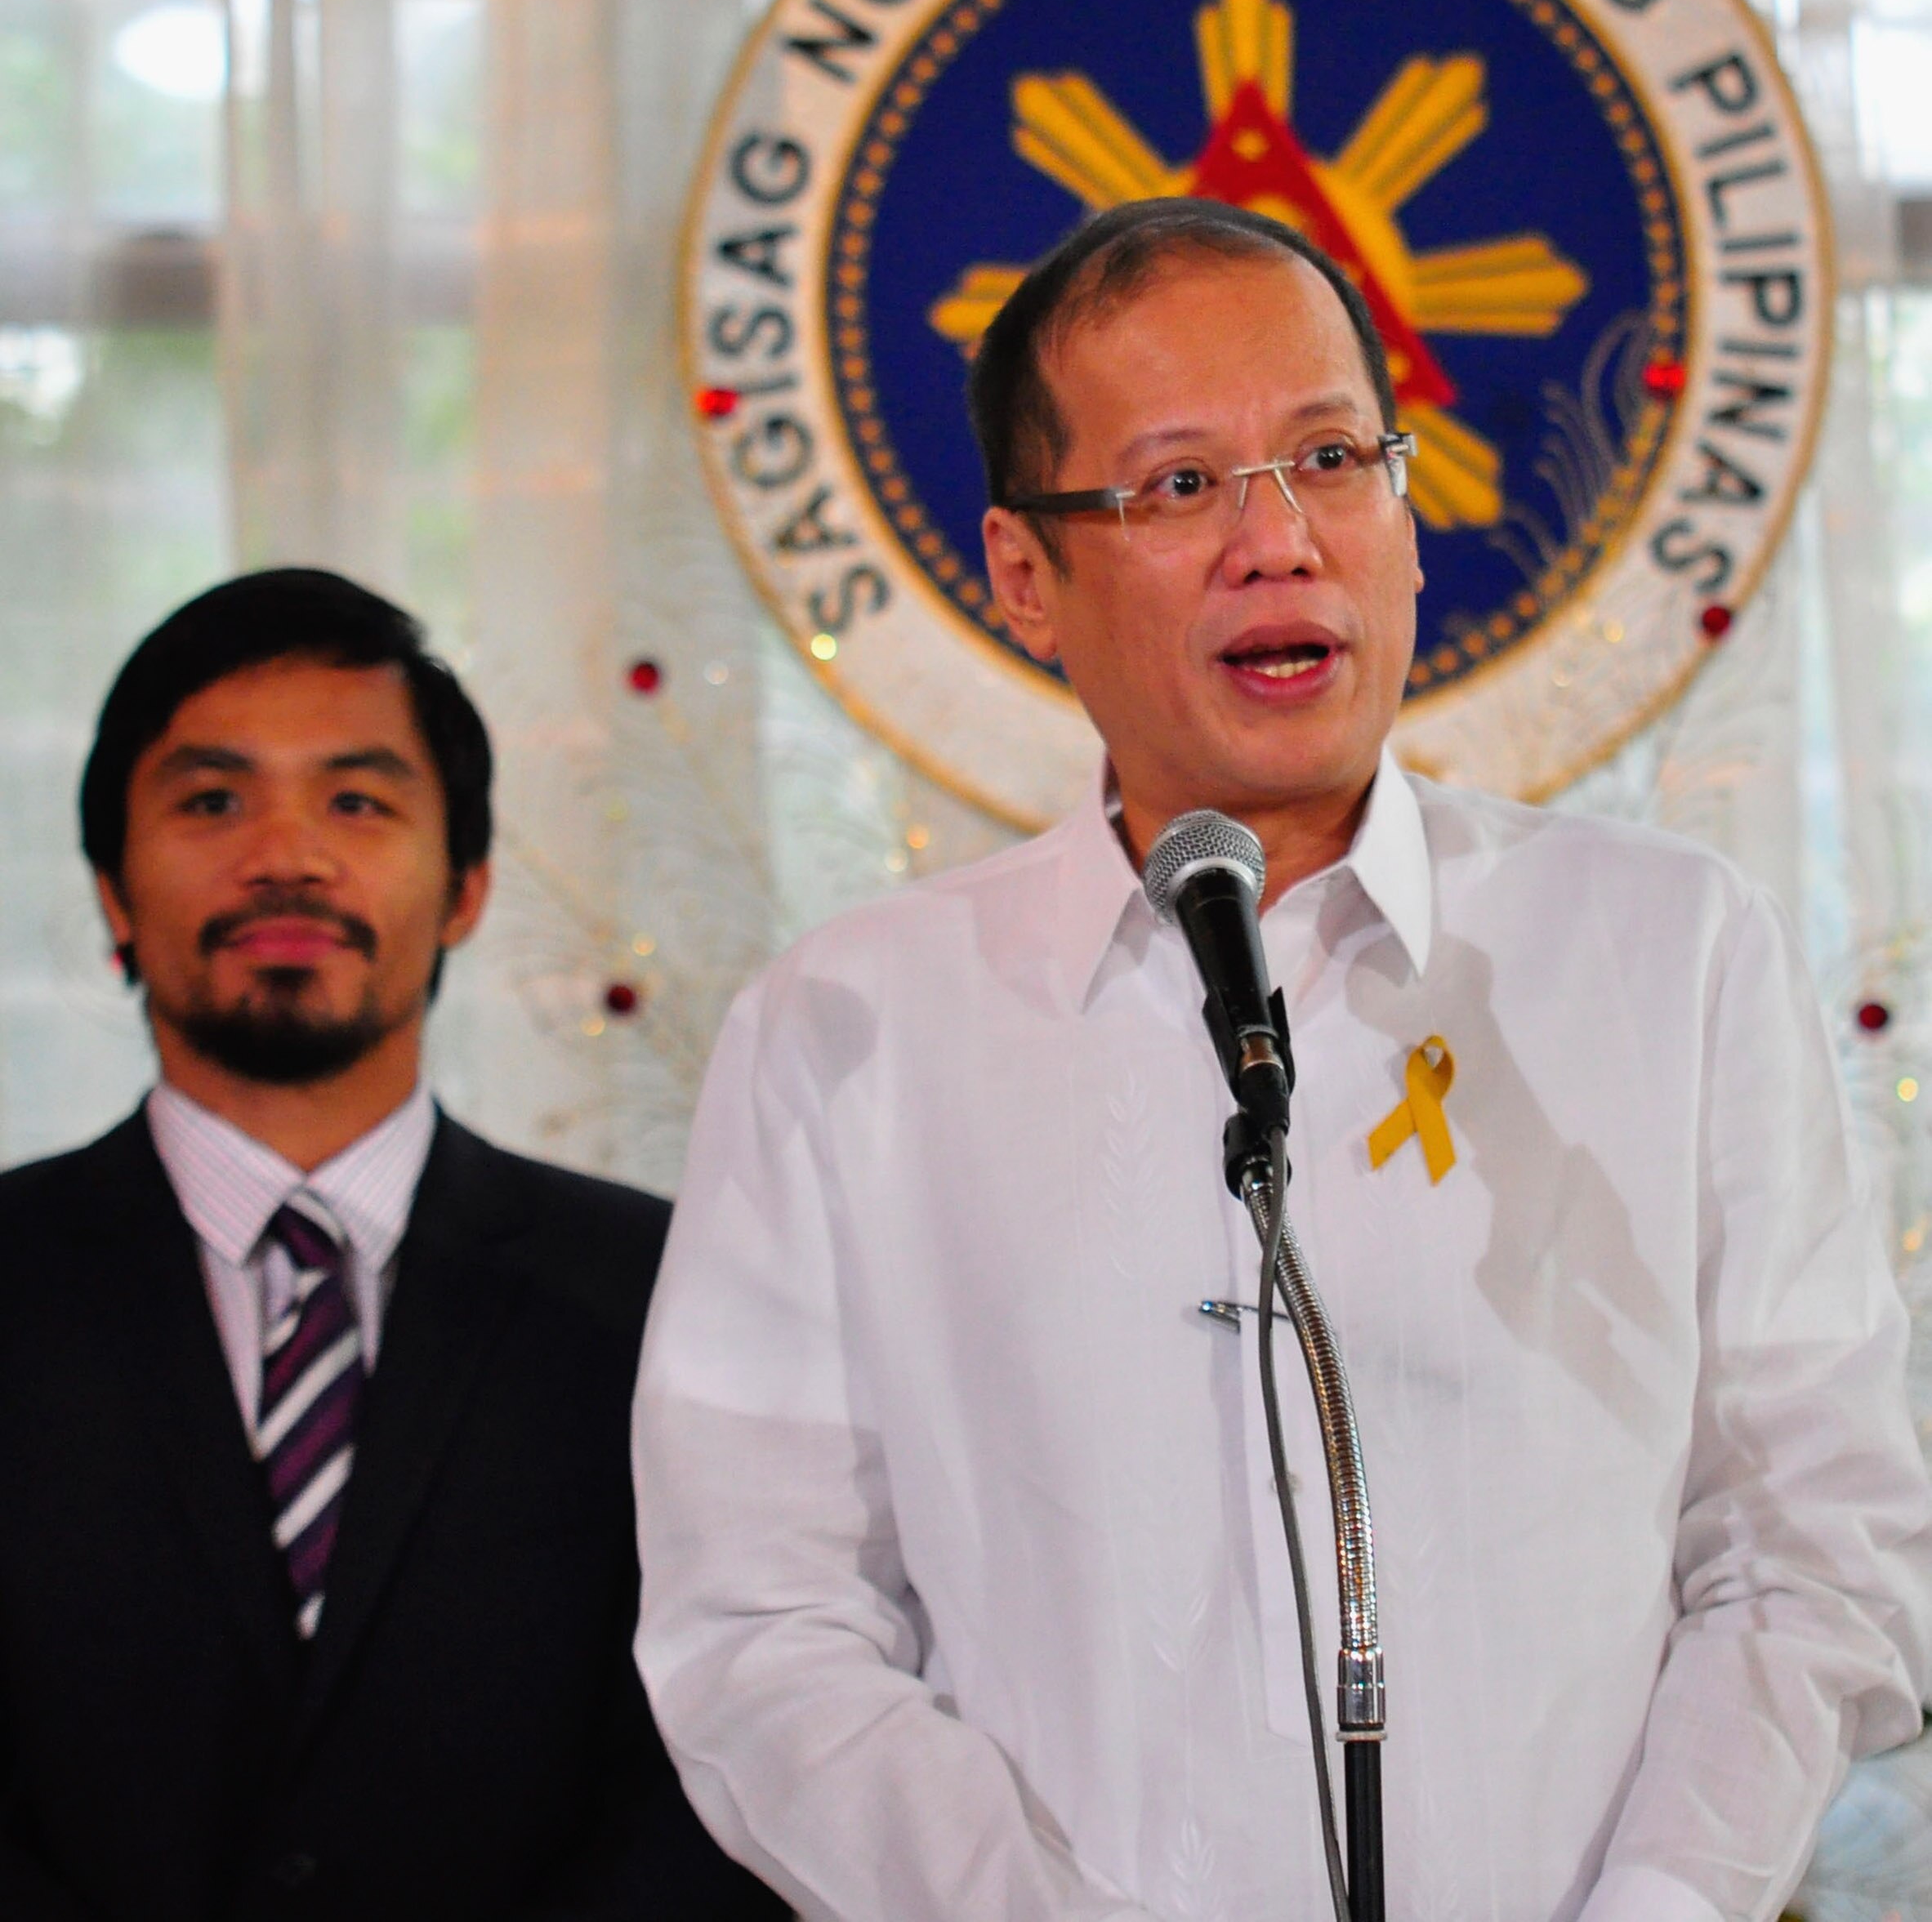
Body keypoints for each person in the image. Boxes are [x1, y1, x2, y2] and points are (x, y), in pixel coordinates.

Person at [634, 199, 1932, 1922]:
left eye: (1330, 456)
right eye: (1179, 487)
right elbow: (763, 1623)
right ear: (1025, 573)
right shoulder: (846, 1029)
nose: (1279, 541)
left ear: (1404, 521)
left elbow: (1814, 1546)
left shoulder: (1666, 954)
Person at [0, 569, 785, 1922]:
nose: (286, 855)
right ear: (114, 894)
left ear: (469, 885)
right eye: (210, 801)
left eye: (358, 801)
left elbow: (736, 1742)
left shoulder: (660, 1290)